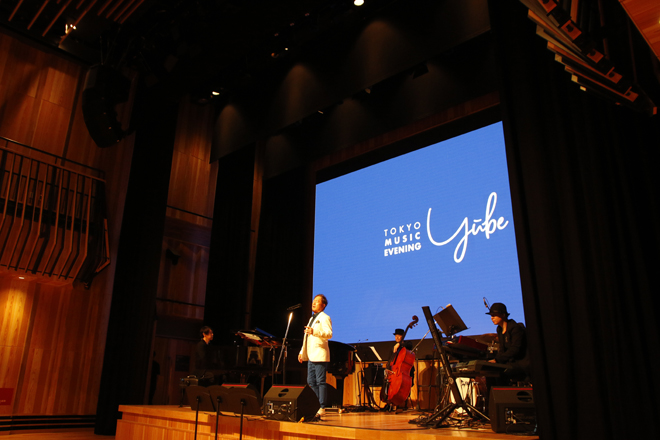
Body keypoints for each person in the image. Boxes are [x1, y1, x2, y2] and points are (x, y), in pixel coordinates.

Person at [298, 294, 333, 417]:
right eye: (314, 300)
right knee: (310, 381)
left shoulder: (325, 317)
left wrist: (315, 331)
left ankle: (322, 407)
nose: (313, 303)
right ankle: (315, 405)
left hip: (320, 354)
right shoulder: (311, 318)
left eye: (317, 301)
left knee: (320, 381)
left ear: (323, 305)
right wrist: (302, 352)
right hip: (311, 355)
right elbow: (307, 338)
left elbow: (329, 334)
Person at [486, 302, 531, 383]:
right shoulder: (499, 329)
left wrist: (498, 360)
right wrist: (495, 360)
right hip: (510, 362)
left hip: (521, 363)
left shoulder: (515, 328)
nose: (492, 318)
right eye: (491, 315)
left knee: (499, 373)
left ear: (503, 315)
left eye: (494, 315)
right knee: (490, 371)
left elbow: (515, 349)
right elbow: (502, 349)